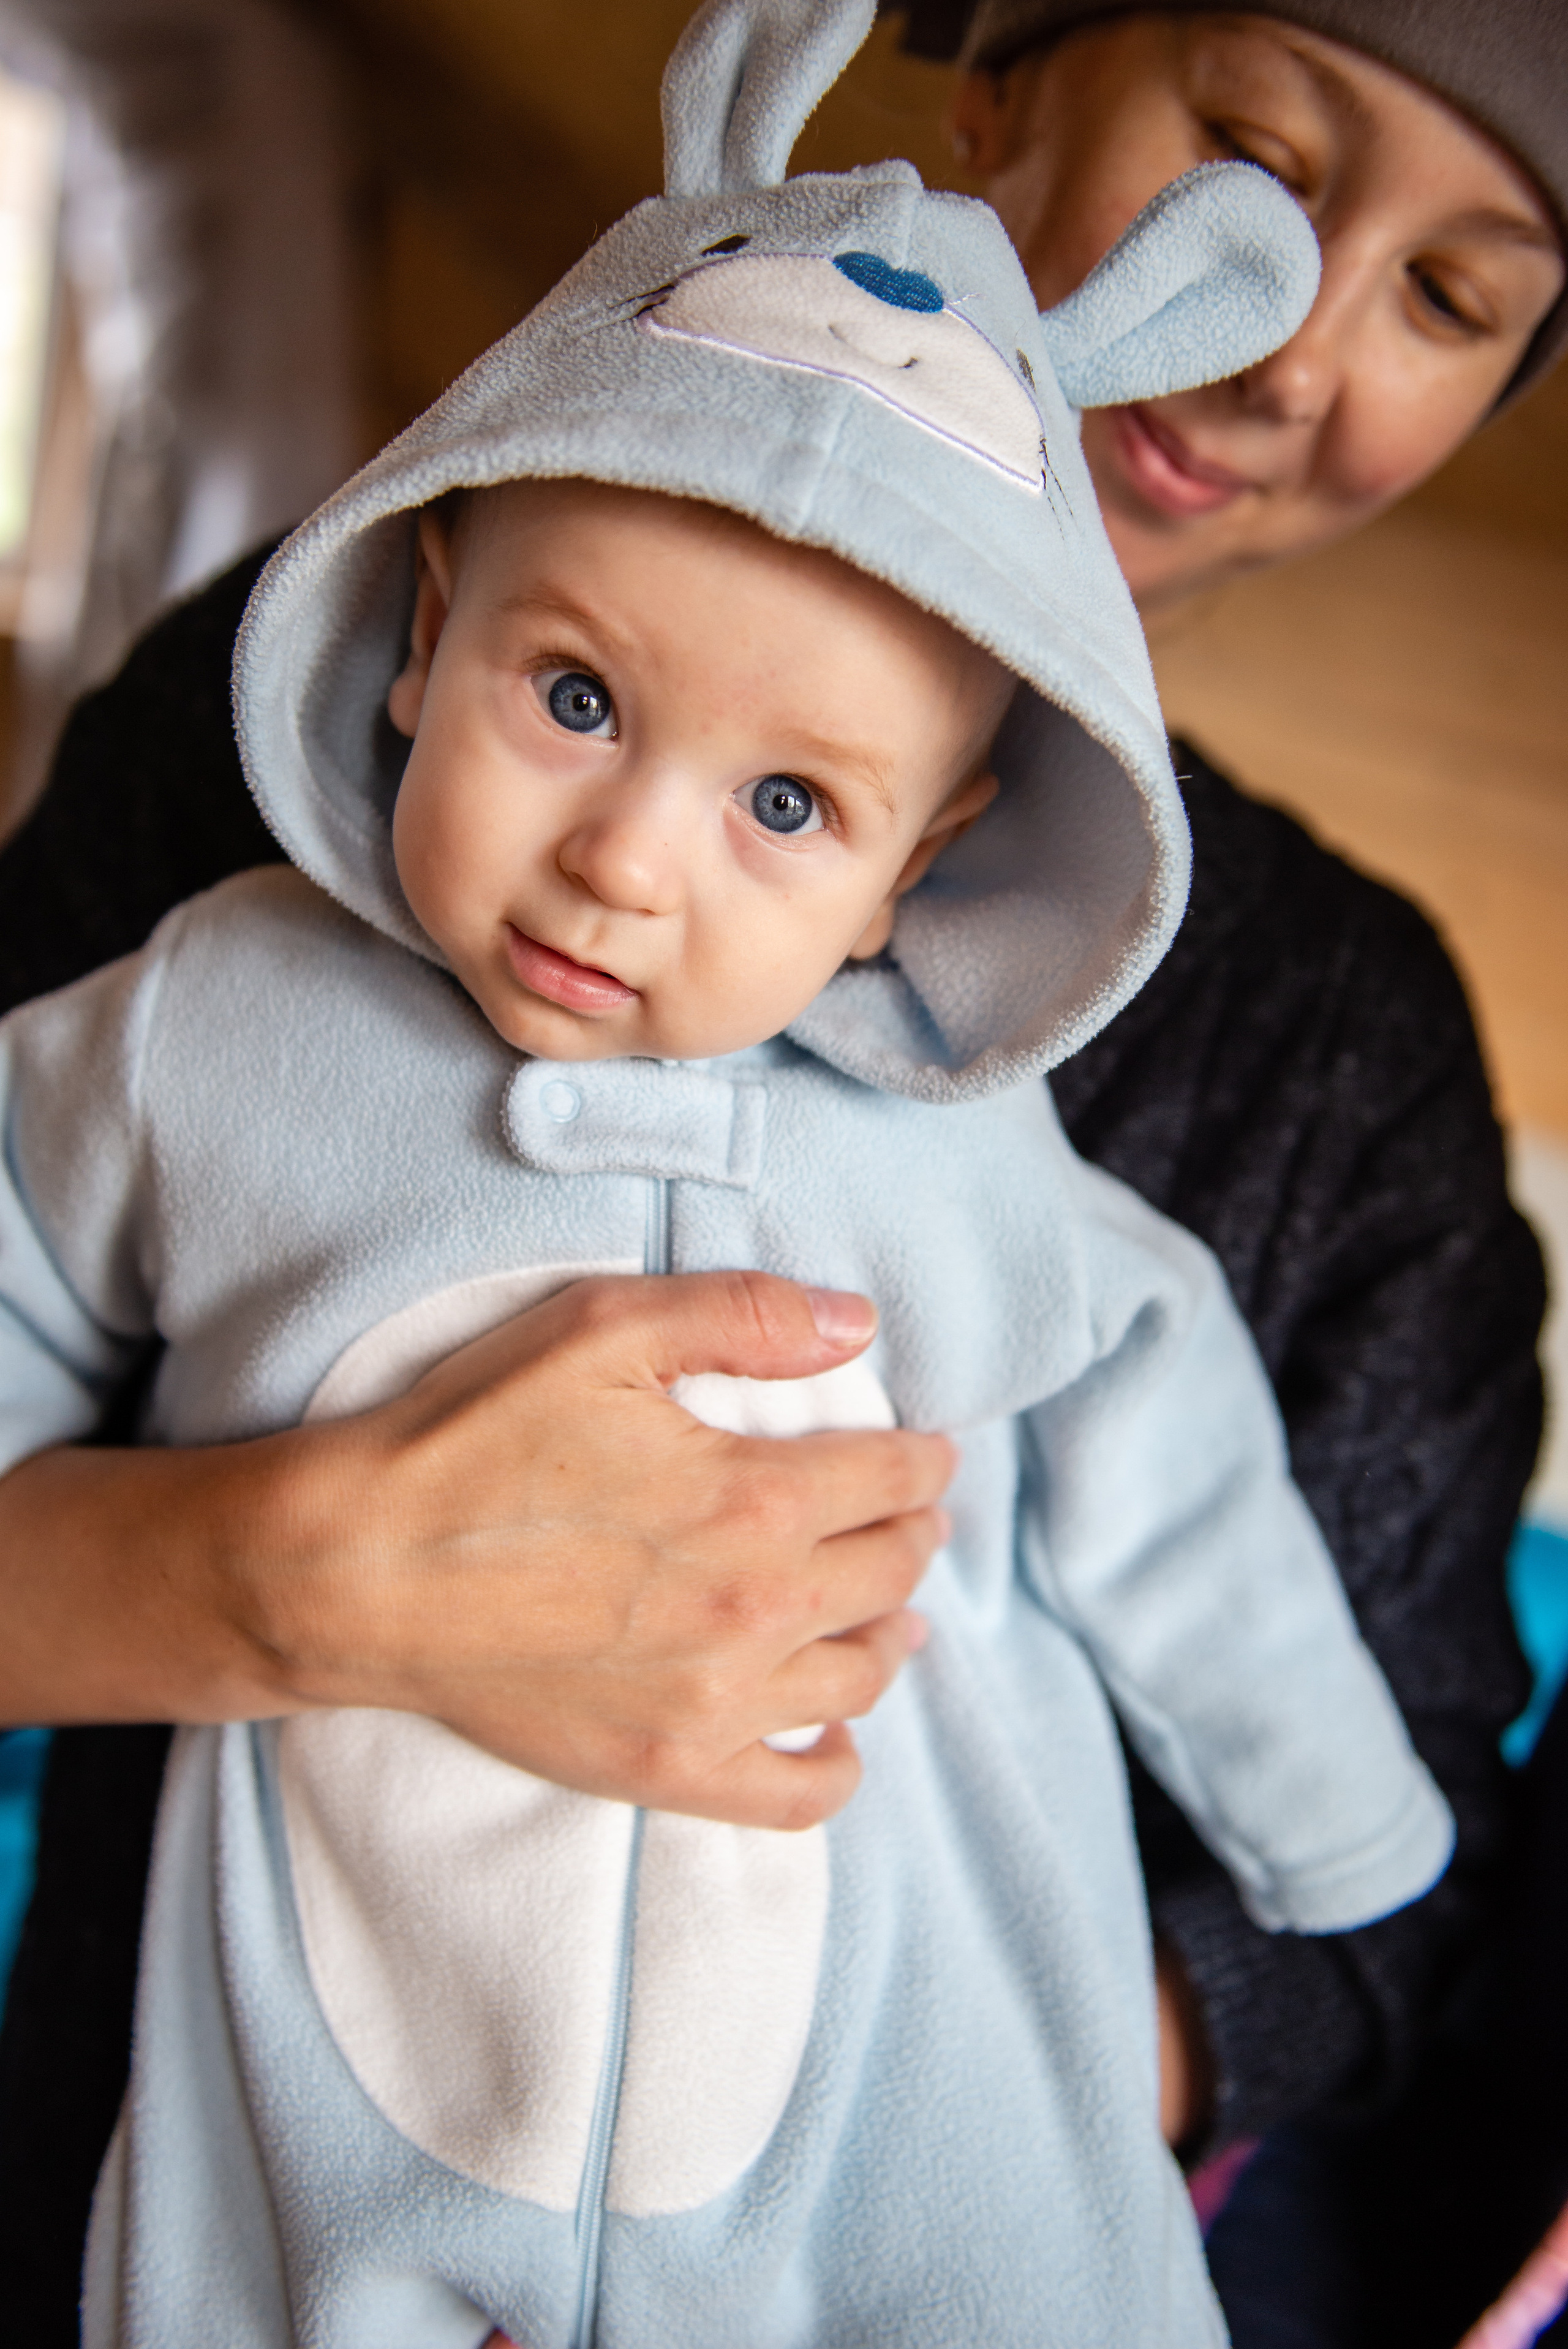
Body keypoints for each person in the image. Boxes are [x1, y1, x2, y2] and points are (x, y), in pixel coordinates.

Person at [0, 0, 1558, 2337]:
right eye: (1257, 158)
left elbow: (1374, 1861)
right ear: (1002, 79)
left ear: (932, 858)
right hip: (237, 2166)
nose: (1289, 353)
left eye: (1454, 294)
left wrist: (938, 2152)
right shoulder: (249, 835)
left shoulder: (1337, 1054)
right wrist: (274, 1579)